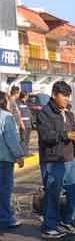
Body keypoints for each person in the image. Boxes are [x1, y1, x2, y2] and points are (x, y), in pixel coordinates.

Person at [37, 81, 75, 239]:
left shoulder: (68, 113)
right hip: (52, 161)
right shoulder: (44, 113)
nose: (67, 99)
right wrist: (66, 135)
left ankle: (67, 222)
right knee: (52, 194)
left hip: (69, 159)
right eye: (64, 95)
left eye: (68, 96)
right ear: (54, 95)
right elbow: (46, 137)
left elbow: (74, 129)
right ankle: (49, 226)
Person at [0, 92, 25, 228]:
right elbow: (12, 139)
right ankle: (6, 217)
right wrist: (19, 156)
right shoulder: (6, 116)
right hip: (3, 160)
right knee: (4, 189)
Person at [18, 91, 32, 156]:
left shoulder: (26, 103)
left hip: (28, 124)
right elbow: (19, 115)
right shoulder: (18, 103)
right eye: (27, 96)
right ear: (24, 96)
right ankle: (22, 153)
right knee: (23, 139)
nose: (27, 97)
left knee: (27, 139)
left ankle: (26, 152)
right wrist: (21, 124)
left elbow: (29, 113)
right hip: (23, 124)